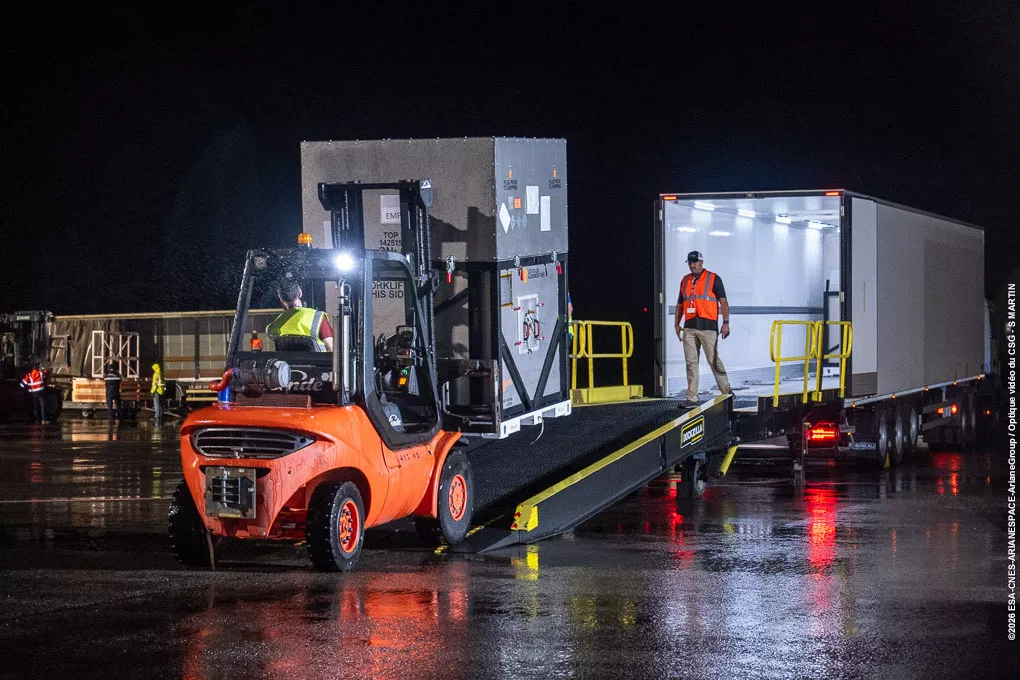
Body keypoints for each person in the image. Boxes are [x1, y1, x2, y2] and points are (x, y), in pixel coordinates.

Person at [674, 250, 732, 407]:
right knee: (691, 363)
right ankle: (692, 398)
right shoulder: (685, 280)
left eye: (694, 262)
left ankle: (727, 393)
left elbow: (723, 302)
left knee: (713, 361)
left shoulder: (713, 278)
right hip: (689, 328)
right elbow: (680, 304)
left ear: (701, 262)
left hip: (708, 328)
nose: (692, 265)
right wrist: (676, 324)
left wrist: (725, 322)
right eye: (690, 263)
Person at [266, 278, 334, 352]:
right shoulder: (317, 317)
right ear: (300, 293)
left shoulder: (276, 324)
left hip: (289, 360)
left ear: (281, 299)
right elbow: (331, 348)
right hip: (316, 360)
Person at [20, 359, 49, 424]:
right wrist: (43, 369)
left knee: (35, 406)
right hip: (41, 392)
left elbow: (22, 384)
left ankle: (37, 419)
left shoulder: (29, 375)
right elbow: (46, 374)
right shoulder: (40, 373)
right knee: (42, 406)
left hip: (33, 393)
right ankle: (43, 420)